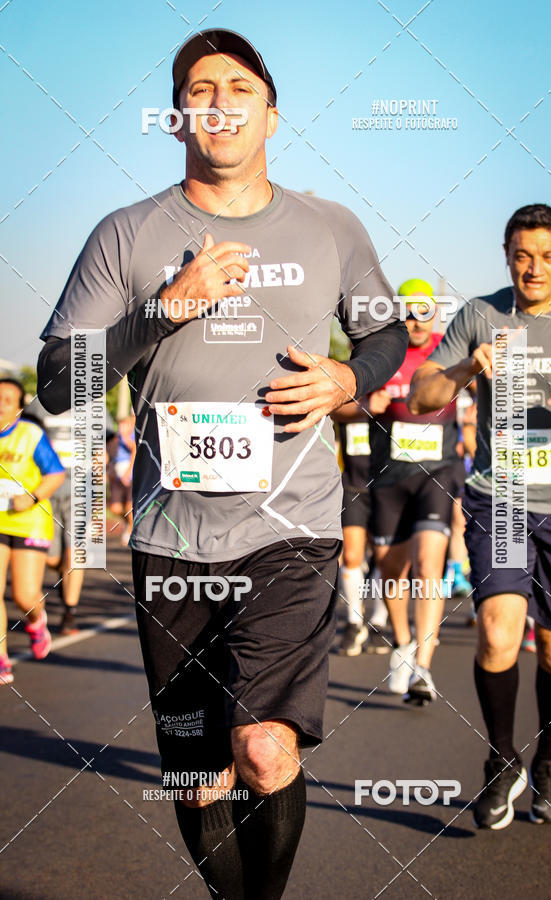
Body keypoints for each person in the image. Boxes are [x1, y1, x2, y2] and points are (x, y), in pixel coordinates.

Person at [36, 29, 407, 898]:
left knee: (265, 749)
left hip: (293, 529)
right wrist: (162, 311)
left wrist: (350, 378)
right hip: (172, 537)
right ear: (176, 120)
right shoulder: (126, 235)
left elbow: (386, 334)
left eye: (240, 88)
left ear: (271, 115)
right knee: (200, 773)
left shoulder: (330, 225)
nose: (219, 102)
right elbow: (56, 381)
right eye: (199, 89)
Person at [408, 203, 551, 829]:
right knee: (497, 632)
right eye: (522, 256)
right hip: (504, 499)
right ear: (507, 256)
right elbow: (421, 396)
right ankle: (499, 759)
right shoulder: (481, 315)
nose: (533, 268)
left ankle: (549, 759)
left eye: (547, 257)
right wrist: (467, 367)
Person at [368, 279, 464, 704]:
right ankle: (403, 643)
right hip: (389, 477)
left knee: (428, 567)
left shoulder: (449, 352)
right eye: (409, 313)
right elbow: (345, 403)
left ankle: (423, 667)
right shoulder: (382, 351)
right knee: (391, 570)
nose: (417, 321)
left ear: (435, 314)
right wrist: (367, 403)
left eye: (425, 312)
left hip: (437, 474)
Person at [0, 379, 65, 684]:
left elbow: (55, 474)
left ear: (18, 407)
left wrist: (32, 497)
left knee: (24, 596)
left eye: (7, 400)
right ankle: (1, 659)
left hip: (29, 520)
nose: (1, 404)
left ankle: (37, 620)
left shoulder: (30, 434)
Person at [332, 393, 391, 656]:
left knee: (384, 559)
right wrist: (363, 407)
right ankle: (354, 622)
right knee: (352, 556)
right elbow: (333, 411)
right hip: (353, 487)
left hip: (387, 488)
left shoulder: (388, 393)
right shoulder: (347, 395)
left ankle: (379, 622)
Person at [25, 399, 85, 635]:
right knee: (51, 558)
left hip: (81, 492)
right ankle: (63, 572)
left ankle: (70, 613)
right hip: (46, 490)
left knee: (76, 554)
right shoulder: (38, 404)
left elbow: (107, 441)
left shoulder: (91, 402)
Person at [107, 414, 136, 547]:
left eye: (124, 425)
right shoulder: (115, 438)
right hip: (117, 476)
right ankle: (127, 522)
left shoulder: (132, 437)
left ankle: (130, 529)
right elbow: (110, 453)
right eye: (120, 425)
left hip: (130, 476)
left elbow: (134, 451)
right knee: (115, 508)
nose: (121, 428)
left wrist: (128, 472)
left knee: (129, 506)